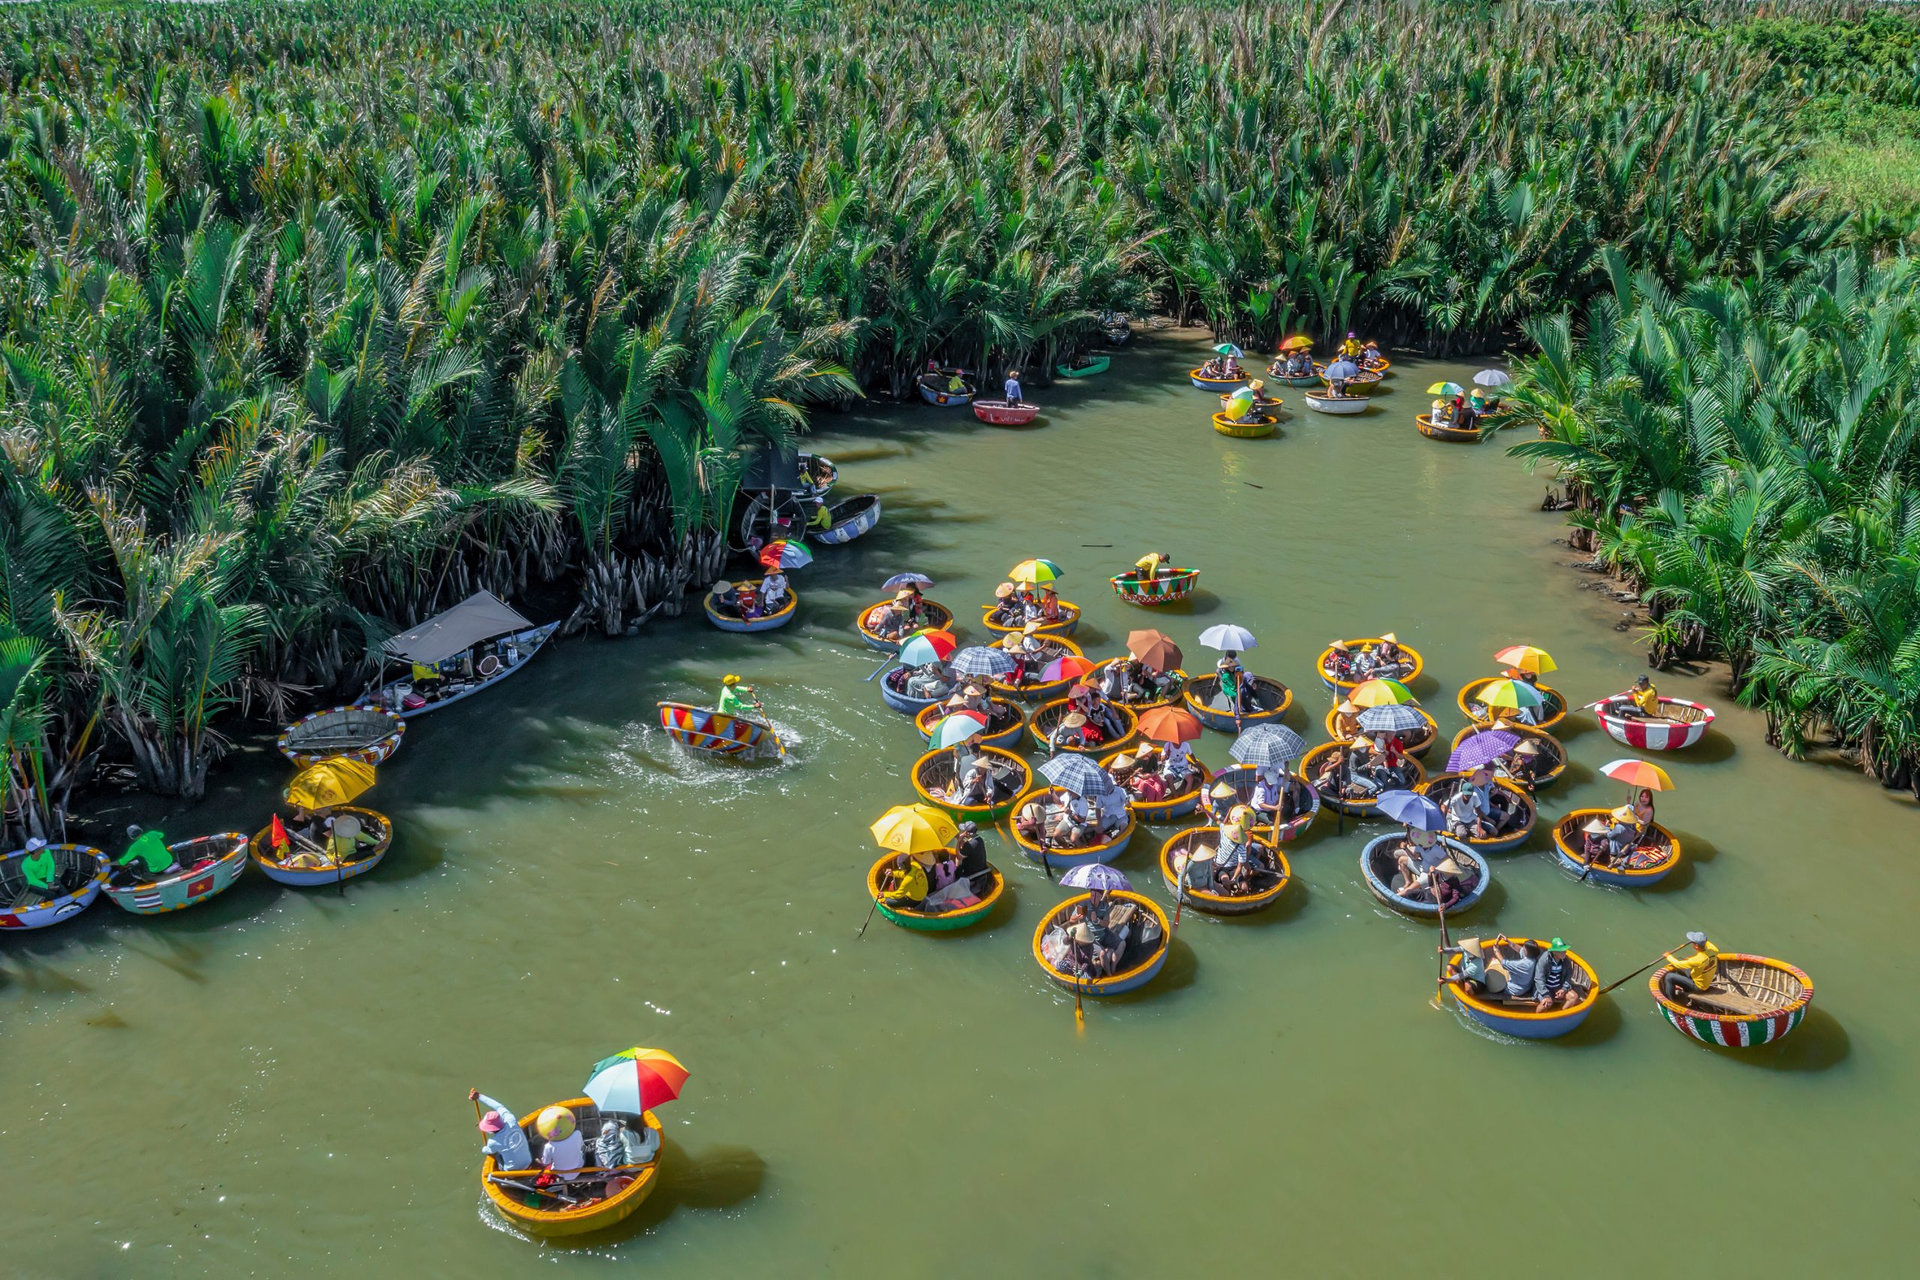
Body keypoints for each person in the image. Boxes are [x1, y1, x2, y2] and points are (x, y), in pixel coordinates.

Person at [470, 1090, 534, 1171]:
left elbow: (487, 1150)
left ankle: (505, 1176)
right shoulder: (511, 1120)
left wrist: (484, 1148)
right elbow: (499, 1106)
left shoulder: (493, 1142)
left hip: (512, 1173)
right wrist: (480, 1096)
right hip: (528, 1162)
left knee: (497, 1154)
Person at [1660, 931, 1720, 1004]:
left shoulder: (1698, 959)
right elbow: (1706, 943)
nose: (1691, 943)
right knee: (1680, 959)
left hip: (1698, 987)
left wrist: (1668, 956)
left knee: (1669, 977)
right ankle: (1682, 985)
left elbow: (1678, 964)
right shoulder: (1713, 949)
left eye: (1692, 942)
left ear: (1696, 946)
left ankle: (1671, 1002)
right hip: (1701, 979)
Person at [536, 1105, 585, 1176]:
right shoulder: (577, 1134)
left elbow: (546, 1162)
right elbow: (581, 1146)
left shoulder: (548, 1147)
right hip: (578, 1167)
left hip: (560, 1173)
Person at [952, 821, 991, 893]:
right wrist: (959, 838)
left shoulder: (968, 845)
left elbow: (959, 856)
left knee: (957, 860)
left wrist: (959, 841)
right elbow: (967, 847)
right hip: (980, 868)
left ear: (966, 833)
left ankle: (956, 879)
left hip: (971, 873)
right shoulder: (980, 839)